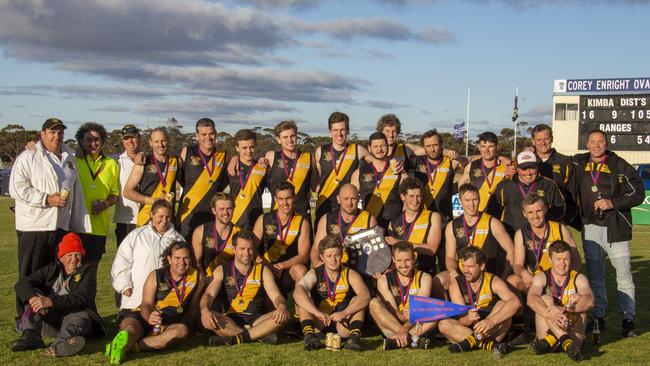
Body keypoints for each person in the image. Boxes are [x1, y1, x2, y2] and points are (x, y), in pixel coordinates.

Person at [567, 129, 644, 337]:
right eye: (592, 142)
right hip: (590, 227)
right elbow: (553, 163)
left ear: (606, 143)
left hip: (615, 229)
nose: (596, 145)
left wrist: (613, 202)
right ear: (587, 144)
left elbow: (639, 193)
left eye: (600, 141)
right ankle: (598, 317)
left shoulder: (619, 165)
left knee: (624, 275)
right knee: (596, 276)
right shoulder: (578, 163)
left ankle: (628, 318)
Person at [9, 118, 89, 319]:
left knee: (52, 275)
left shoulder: (69, 156)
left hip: (60, 226)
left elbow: (76, 192)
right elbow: (17, 188)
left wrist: (76, 225)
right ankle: (26, 320)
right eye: (52, 132)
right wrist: (46, 199)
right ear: (42, 134)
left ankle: (47, 316)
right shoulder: (28, 156)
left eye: (60, 132)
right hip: (34, 226)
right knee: (29, 276)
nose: (57, 136)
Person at [105, 241, 202, 364]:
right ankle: (124, 342)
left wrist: (191, 329)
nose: (182, 263)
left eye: (186, 258)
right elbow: (146, 304)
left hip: (166, 325)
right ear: (169, 259)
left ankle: (129, 347)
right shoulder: (156, 275)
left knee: (181, 330)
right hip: (142, 316)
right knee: (131, 329)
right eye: (177, 258)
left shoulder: (197, 276)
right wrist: (149, 316)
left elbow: (193, 307)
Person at [12, 233, 104, 357]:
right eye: (69, 255)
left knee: (78, 317)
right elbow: (22, 284)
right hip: (53, 321)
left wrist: (51, 302)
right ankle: (31, 336)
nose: (74, 259)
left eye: (77, 254)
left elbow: (83, 296)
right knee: (34, 303)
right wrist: (34, 298)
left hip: (77, 317)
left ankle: (61, 344)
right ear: (61, 257)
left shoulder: (87, 271)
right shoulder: (52, 269)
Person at [200, 229, 290, 346]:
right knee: (209, 319)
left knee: (285, 315)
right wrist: (205, 311)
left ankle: (235, 338)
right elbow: (208, 295)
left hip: (257, 320)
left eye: (250, 249)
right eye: (242, 249)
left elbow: (276, 296)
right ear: (234, 249)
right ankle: (258, 336)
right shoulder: (221, 270)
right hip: (230, 320)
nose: (246, 253)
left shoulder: (263, 270)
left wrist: (281, 306)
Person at [438, 247, 520, 359]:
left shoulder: (493, 281)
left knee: (502, 304)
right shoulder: (456, 284)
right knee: (443, 324)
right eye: (463, 266)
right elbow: (462, 320)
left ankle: (473, 341)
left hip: (492, 328)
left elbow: (515, 302)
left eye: (470, 267)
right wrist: (468, 318)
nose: (466, 270)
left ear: (481, 266)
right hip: (469, 329)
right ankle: (489, 344)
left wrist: (490, 321)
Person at [293, 235, 370, 351]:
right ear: (322, 258)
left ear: (342, 256)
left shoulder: (350, 274)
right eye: (329, 256)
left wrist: (345, 312)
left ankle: (354, 339)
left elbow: (365, 296)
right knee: (304, 297)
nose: (333, 260)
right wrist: (317, 313)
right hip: (320, 322)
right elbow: (297, 293)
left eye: (337, 255)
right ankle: (310, 337)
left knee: (357, 300)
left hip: (342, 324)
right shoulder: (314, 273)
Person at [110, 200, 185, 314]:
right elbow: (122, 260)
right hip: (136, 297)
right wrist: (124, 285)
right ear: (152, 215)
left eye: (168, 217)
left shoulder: (178, 239)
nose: (164, 220)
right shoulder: (137, 235)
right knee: (132, 328)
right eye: (161, 216)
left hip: (166, 298)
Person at [527, 241, 595, 361]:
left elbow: (590, 301)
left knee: (577, 298)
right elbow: (531, 299)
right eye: (558, 259)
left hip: (571, 332)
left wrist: (566, 309)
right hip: (547, 331)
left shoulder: (579, 278)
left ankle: (555, 341)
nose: (562, 264)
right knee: (545, 299)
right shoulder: (542, 277)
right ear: (550, 260)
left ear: (571, 259)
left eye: (566, 259)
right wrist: (551, 313)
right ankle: (565, 342)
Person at [439, 184, 514, 290]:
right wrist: (453, 272)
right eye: (467, 200)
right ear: (460, 201)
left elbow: (511, 251)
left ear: (479, 200)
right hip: (463, 273)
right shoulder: (452, 226)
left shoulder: (492, 222)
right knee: (439, 281)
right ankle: (452, 307)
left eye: (475, 199)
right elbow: (450, 257)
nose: (472, 204)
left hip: (486, 275)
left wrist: (504, 278)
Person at [507, 194, 580, 294]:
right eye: (530, 212)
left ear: (545, 209)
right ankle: (524, 308)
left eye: (539, 211)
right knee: (512, 281)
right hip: (534, 279)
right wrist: (525, 274)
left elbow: (575, 259)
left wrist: (566, 279)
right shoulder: (521, 234)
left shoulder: (560, 229)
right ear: (524, 214)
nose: (535, 216)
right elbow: (518, 265)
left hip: (558, 278)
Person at [370, 242, 435, 350]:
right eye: (399, 260)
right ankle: (410, 339)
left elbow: (419, 311)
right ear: (393, 260)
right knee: (373, 303)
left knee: (437, 311)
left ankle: (399, 340)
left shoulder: (425, 278)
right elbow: (393, 311)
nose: (403, 265)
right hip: (392, 324)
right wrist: (402, 322)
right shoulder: (384, 279)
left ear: (414, 258)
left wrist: (406, 325)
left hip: (416, 323)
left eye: (407, 260)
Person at [486, 150, 566, 236]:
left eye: (532, 168)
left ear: (537, 167)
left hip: (541, 236)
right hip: (511, 236)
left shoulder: (549, 185)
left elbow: (560, 208)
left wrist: (542, 220)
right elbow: (492, 212)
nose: (528, 173)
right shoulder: (504, 185)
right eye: (524, 168)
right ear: (517, 168)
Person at [253, 182, 310, 295]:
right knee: (273, 309)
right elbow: (252, 251)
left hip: (287, 268)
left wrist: (281, 266)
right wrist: (269, 266)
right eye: (281, 199)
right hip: (266, 267)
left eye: (288, 198)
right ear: (275, 199)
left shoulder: (303, 222)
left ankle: (300, 309)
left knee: (301, 271)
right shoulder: (263, 219)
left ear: (294, 198)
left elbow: (303, 257)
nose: (285, 203)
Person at [75, 122, 120, 267]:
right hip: (77, 226)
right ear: (81, 141)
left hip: (99, 228)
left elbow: (114, 195)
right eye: (88, 139)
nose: (93, 143)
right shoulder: (74, 160)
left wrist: (105, 204)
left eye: (97, 140)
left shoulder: (111, 164)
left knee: (91, 272)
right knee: (74, 271)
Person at [177, 118, 228, 239]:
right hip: (188, 216)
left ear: (215, 134)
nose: (208, 137)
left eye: (211, 133)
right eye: (203, 134)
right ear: (197, 136)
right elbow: (169, 167)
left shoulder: (223, 156)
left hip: (213, 216)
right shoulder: (187, 151)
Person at [314, 112, 370, 224]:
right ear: (330, 132)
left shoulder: (358, 150)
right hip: (324, 205)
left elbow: (378, 165)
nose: (339, 134)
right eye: (335, 130)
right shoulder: (320, 151)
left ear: (347, 130)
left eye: (342, 130)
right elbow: (316, 180)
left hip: (348, 207)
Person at [351, 132, 408, 229]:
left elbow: (408, 201)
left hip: (393, 227)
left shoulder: (399, 170)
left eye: (382, 146)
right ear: (369, 148)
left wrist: (402, 224)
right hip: (367, 226)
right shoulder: (359, 172)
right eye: (376, 146)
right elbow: (350, 199)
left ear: (388, 147)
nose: (379, 149)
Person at [123, 127, 178, 227]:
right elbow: (127, 192)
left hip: (168, 220)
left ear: (168, 141)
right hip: (147, 219)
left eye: (163, 141)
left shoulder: (176, 161)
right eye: (156, 141)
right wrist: (152, 201)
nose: (160, 145)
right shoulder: (143, 162)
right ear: (150, 143)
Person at [311, 184, 377, 267]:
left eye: (353, 199)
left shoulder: (369, 219)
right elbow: (316, 248)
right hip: (334, 268)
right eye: (346, 199)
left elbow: (377, 250)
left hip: (361, 268)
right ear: (338, 199)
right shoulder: (326, 219)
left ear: (358, 199)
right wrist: (316, 262)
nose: (350, 203)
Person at [386, 178, 442, 276]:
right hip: (401, 274)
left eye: (418, 196)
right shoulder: (393, 223)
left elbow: (432, 249)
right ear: (403, 197)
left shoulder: (433, 217)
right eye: (411, 196)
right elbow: (392, 256)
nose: (415, 201)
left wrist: (400, 243)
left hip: (424, 271)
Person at [529, 124, 578, 227]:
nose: (543, 143)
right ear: (533, 141)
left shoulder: (565, 162)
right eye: (539, 139)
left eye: (546, 138)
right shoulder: (527, 161)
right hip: (530, 221)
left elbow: (572, 195)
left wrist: (565, 220)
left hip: (556, 220)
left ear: (552, 138)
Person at [411, 129, 464, 224]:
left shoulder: (451, 161)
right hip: (421, 219)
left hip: (445, 219)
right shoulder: (416, 162)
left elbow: (468, 162)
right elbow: (407, 149)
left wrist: (458, 156)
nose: (432, 149)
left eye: (435, 145)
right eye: (428, 146)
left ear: (441, 145)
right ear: (424, 148)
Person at [265, 120, 314, 219]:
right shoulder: (271, 156)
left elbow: (317, 186)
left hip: (301, 214)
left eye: (292, 136)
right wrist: (234, 159)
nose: (290, 140)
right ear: (278, 139)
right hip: (277, 213)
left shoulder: (308, 158)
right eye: (285, 137)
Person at [191, 193, 241, 276]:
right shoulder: (200, 231)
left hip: (230, 282)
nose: (226, 212)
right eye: (221, 209)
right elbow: (196, 262)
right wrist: (202, 280)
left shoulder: (240, 233)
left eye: (229, 209)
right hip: (206, 279)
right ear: (214, 210)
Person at [458, 132, 509, 212]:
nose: (486, 150)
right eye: (483, 146)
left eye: (490, 146)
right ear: (479, 147)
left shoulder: (506, 166)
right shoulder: (471, 167)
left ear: (497, 147)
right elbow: (461, 191)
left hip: (500, 217)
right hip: (478, 217)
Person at [228, 129, 267, 230]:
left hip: (256, 222)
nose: (249, 151)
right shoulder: (230, 167)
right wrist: (234, 158)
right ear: (237, 148)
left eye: (252, 147)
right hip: (233, 221)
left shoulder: (263, 167)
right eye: (244, 148)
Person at [113, 124, 142, 246]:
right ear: (122, 141)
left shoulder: (148, 160)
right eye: (126, 138)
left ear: (139, 138)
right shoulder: (116, 161)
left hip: (146, 218)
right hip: (125, 220)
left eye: (133, 137)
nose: (130, 141)